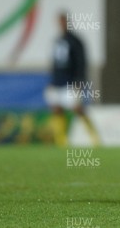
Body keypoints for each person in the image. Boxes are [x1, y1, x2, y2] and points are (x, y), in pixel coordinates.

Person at [44, 12, 100, 146]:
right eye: (60, 21)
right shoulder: (58, 40)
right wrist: (52, 81)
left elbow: (81, 62)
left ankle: (94, 137)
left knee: (77, 109)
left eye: (64, 21)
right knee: (57, 109)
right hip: (57, 82)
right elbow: (55, 64)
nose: (62, 24)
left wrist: (79, 81)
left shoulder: (76, 41)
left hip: (71, 82)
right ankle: (62, 142)